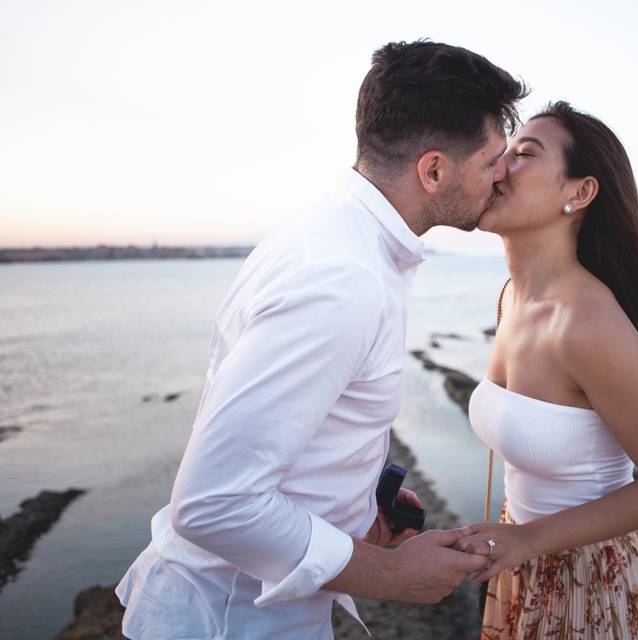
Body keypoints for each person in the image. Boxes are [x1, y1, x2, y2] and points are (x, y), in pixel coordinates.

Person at [115, 40, 527, 640]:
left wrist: (362, 503)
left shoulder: (340, 238)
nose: (502, 174)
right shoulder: (341, 279)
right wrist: (387, 574)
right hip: (228, 620)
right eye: (491, 160)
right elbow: (213, 502)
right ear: (434, 170)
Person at [458, 102, 638, 639]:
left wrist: (529, 540)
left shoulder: (587, 323)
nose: (499, 165)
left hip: (595, 582)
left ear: (579, 192)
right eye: (504, 152)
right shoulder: (511, 298)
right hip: (525, 560)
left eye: (524, 154)